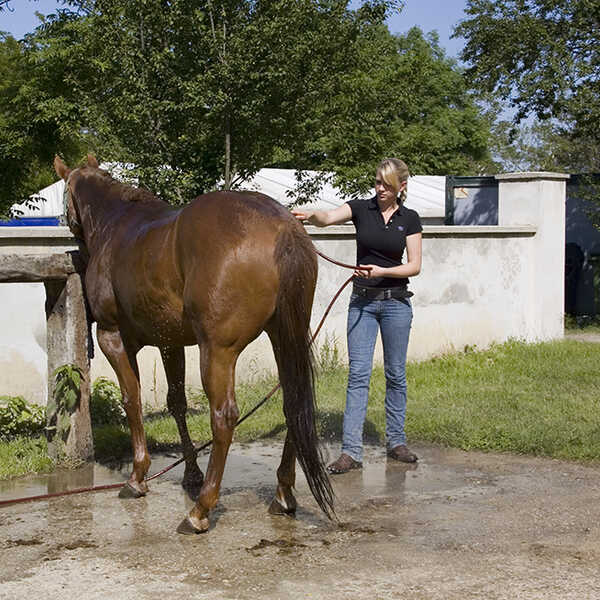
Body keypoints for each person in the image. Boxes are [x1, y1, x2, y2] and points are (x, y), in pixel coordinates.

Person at [292, 158, 422, 473]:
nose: (379, 189)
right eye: (377, 182)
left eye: (386, 185)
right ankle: (351, 452)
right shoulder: (361, 209)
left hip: (396, 304)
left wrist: (382, 271)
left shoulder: (410, 219)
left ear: (400, 188)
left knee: (396, 375)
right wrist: (311, 215)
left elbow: (414, 266)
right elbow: (328, 217)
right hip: (362, 303)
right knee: (358, 376)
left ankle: (397, 442)